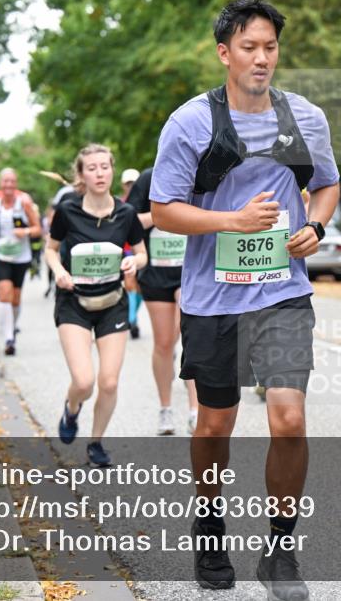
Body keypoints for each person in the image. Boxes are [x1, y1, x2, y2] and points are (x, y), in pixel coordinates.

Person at [151, 0, 339, 599]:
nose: (262, 58)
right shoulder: (190, 123)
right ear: (224, 53)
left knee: (288, 419)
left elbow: (327, 186)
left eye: (271, 47)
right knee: (215, 423)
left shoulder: (305, 117)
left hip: (283, 292)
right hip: (213, 299)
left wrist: (316, 227)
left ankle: (280, 552)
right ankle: (210, 526)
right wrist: (230, 222)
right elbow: (163, 212)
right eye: (250, 47)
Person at [46, 144, 147, 468]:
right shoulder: (68, 211)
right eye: (92, 168)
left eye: (105, 166)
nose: (99, 173)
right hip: (74, 302)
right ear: (81, 174)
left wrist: (135, 263)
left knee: (109, 381)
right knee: (85, 381)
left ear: (112, 171)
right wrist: (60, 272)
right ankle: (71, 408)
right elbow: (51, 249)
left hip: (111, 303)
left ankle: (96, 442)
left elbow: (142, 252)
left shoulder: (126, 214)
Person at [126, 167, 200, 435]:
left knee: (191, 337)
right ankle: (165, 409)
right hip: (156, 272)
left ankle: (194, 411)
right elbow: (130, 220)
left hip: (189, 271)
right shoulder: (149, 178)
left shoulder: (198, 174)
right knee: (164, 342)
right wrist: (162, 216)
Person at [0, 168, 42, 356]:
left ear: (16, 184)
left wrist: (25, 232)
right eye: (5, 181)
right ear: (0, 183)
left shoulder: (24, 203)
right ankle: (8, 338)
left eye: (12, 181)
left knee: (15, 297)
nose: (8, 185)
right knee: (4, 292)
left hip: (20, 256)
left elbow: (38, 228)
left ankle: (12, 326)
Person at [121, 168, 143, 338]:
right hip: (125, 250)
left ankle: (130, 315)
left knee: (140, 288)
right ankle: (132, 320)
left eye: (134, 183)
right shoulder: (119, 205)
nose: (131, 186)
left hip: (143, 250)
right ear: (123, 185)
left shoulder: (146, 202)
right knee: (130, 283)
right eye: (128, 183)